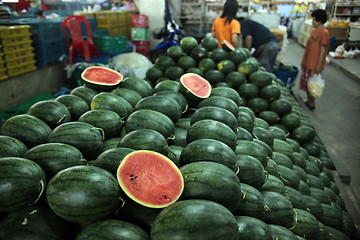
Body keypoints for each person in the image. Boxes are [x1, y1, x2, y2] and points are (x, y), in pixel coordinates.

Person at [300, 9, 329, 110]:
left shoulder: (324, 32)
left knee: (313, 84)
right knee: (308, 83)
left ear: (320, 21)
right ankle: (308, 100)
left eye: (314, 20)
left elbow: (322, 51)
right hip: (308, 62)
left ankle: (312, 102)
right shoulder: (314, 31)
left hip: (314, 63)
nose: (312, 21)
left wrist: (318, 66)